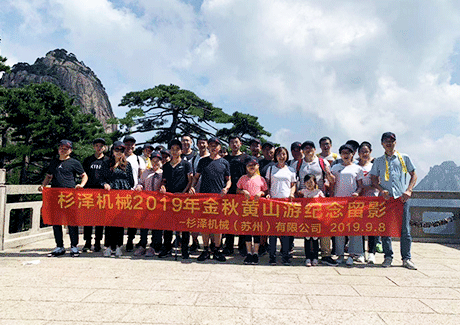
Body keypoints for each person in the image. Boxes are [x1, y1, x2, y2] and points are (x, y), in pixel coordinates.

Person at [371, 132, 417, 270]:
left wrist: (409, 190)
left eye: (391, 140)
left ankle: (406, 258)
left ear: (395, 142)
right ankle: (388, 256)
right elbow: (373, 178)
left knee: (405, 229)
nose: (388, 143)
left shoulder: (404, 158)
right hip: (386, 199)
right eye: (386, 141)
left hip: (401, 199)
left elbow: (413, 174)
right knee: (385, 229)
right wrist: (380, 189)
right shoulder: (379, 161)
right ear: (382, 144)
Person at [39, 140, 88, 257]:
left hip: (70, 195)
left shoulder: (74, 162)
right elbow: (49, 176)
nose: (63, 150)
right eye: (61, 147)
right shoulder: (54, 162)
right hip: (55, 196)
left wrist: (81, 185)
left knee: (72, 221)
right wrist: (43, 186)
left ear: (70, 150)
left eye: (66, 148)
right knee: (56, 221)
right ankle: (59, 246)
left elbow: (84, 175)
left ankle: (74, 246)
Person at [293, 140, 337, 266]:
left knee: (324, 229)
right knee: (308, 230)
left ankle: (325, 254)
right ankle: (310, 255)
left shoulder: (322, 162)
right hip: (304, 201)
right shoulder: (298, 163)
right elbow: (294, 181)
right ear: (302, 150)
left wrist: (328, 174)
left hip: (319, 200)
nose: (308, 150)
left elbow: (332, 180)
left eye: (310, 148)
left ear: (315, 149)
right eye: (305, 148)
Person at [189, 137, 231, 262]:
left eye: (216, 145)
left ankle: (217, 249)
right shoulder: (203, 161)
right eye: (211, 145)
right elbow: (196, 177)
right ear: (208, 147)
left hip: (218, 198)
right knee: (204, 225)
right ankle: (206, 249)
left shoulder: (224, 162)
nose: (213, 147)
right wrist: (192, 187)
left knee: (217, 226)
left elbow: (228, 179)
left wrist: (227, 188)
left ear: (219, 148)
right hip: (204, 197)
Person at [159, 139, 193, 259]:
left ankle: (184, 249)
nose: (174, 151)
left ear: (181, 150)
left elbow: (190, 181)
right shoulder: (166, 166)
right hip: (169, 199)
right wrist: (162, 187)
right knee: (168, 225)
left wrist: (183, 193)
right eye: (172, 149)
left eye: (177, 149)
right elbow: (164, 181)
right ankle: (167, 248)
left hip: (182, 199)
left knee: (184, 226)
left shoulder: (186, 164)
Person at [331, 144, 364, 266]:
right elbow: (331, 184)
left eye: (348, 153)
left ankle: (351, 255)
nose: (346, 155)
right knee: (339, 230)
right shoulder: (335, 167)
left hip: (352, 203)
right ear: (340, 154)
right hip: (338, 203)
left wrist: (357, 192)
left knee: (353, 229)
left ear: (352, 155)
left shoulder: (357, 168)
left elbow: (360, 185)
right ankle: (339, 254)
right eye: (343, 153)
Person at [101, 141, 135, 257]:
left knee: (120, 222)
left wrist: (124, 187)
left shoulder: (127, 164)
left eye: (121, 150)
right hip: (110, 195)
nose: (119, 152)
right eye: (116, 150)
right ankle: (108, 246)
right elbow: (101, 177)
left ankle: (119, 246)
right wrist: (105, 184)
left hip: (122, 195)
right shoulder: (106, 163)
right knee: (109, 221)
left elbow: (131, 181)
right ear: (112, 151)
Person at [265, 147, 296, 265]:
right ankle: (272, 256)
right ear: (275, 156)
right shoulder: (271, 169)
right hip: (273, 203)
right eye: (279, 154)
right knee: (272, 231)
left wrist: (292, 193)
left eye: (284, 154)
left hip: (286, 203)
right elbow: (267, 184)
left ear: (287, 156)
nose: (281, 156)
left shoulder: (291, 170)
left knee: (285, 231)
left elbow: (293, 185)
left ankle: (285, 255)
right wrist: (268, 193)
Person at [236, 156, 268, 265]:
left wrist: (261, 193)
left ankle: (256, 253)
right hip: (245, 209)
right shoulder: (242, 178)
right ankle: (249, 253)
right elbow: (237, 189)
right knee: (247, 231)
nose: (252, 167)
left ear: (258, 166)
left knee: (257, 231)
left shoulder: (261, 179)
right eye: (249, 165)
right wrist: (243, 192)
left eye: (254, 165)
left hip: (258, 209)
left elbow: (266, 191)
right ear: (246, 166)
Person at [134, 151, 163, 257]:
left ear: (161, 162)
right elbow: (141, 183)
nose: (155, 163)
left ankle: (154, 246)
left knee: (157, 226)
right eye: (153, 161)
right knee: (144, 225)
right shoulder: (146, 172)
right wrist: (139, 187)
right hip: (146, 203)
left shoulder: (162, 173)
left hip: (158, 204)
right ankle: (142, 245)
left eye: (157, 161)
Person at [223, 135, 249, 256]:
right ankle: (228, 246)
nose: (234, 144)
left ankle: (242, 246)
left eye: (236, 142)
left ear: (241, 144)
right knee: (229, 219)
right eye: (232, 142)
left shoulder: (245, 158)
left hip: (242, 193)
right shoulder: (225, 159)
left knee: (242, 219)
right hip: (229, 193)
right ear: (229, 145)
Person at [82, 138, 109, 253]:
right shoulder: (88, 160)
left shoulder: (108, 160)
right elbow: (83, 175)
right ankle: (87, 242)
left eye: (101, 146)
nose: (99, 148)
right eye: (97, 145)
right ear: (93, 147)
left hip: (102, 193)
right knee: (88, 219)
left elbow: (110, 175)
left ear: (104, 148)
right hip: (89, 192)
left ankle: (98, 242)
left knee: (99, 219)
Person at [357, 141, 379, 264]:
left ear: (370, 152)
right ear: (358, 153)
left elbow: (378, 183)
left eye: (366, 151)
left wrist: (367, 188)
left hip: (373, 199)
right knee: (359, 228)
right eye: (362, 152)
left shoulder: (374, 166)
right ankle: (360, 252)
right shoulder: (355, 166)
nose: (364, 154)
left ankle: (371, 253)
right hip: (359, 201)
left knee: (372, 227)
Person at [123, 135, 146, 251]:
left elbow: (141, 175)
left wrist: (139, 186)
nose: (129, 146)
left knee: (133, 219)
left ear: (135, 146)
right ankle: (117, 241)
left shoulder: (138, 159)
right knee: (120, 217)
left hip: (134, 192)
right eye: (127, 144)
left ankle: (130, 240)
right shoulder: (118, 158)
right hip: (120, 193)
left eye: (131, 144)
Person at [299, 174, 325, 266]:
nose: (309, 184)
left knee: (315, 239)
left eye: (311, 182)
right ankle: (307, 257)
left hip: (316, 219)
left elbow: (325, 204)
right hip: (306, 219)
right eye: (307, 182)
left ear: (315, 183)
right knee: (307, 238)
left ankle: (315, 257)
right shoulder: (302, 192)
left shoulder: (319, 192)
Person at [188, 135, 209, 252]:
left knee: (209, 218)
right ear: (196, 144)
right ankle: (195, 241)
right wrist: (191, 188)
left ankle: (211, 244)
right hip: (196, 193)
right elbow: (192, 177)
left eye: (203, 143)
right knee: (194, 218)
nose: (201, 145)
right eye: (199, 143)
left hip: (209, 193)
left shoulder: (212, 158)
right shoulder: (194, 159)